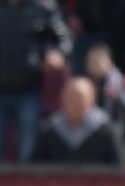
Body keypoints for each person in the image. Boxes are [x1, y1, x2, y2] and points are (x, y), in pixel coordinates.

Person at [0, 0, 73, 162]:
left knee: (28, 153)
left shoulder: (43, 7)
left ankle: (24, 180)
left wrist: (59, 53)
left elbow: (64, 37)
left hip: (29, 89)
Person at [31, 77, 121, 163]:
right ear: (62, 99)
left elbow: (118, 166)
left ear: (92, 100)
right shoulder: (49, 130)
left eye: (79, 97)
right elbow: (34, 166)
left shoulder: (106, 131)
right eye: (71, 97)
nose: (74, 102)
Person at [84, 42, 125, 145]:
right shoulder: (83, 85)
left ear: (110, 62)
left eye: (100, 60)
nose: (97, 64)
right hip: (90, 136)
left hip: (118, 136)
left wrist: (118, 96)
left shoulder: (121, 82)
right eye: (93, 60)